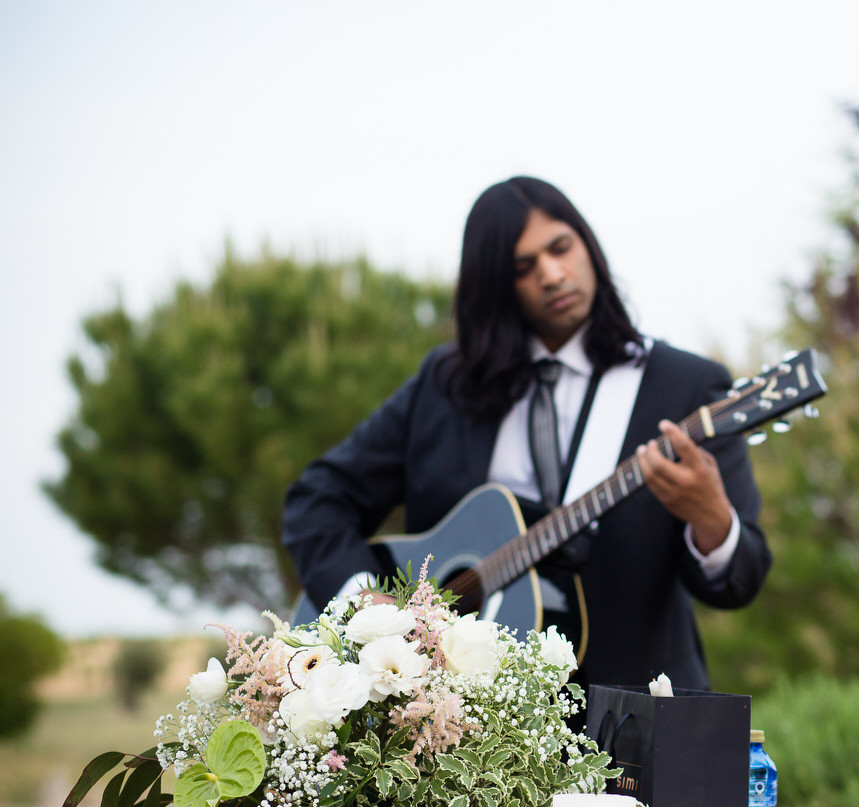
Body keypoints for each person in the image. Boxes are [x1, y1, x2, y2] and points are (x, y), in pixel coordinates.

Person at [283, 176, 771, 699]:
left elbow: (740, 581)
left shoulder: (684, 387)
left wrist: (712, 519)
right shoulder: (446, 387)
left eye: (561, 248)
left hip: (638, 726)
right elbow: (318, 499)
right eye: (524, 267)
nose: (553, 274)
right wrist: (367, 605)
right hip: (455, 740)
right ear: (495, 286)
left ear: (588, 246)